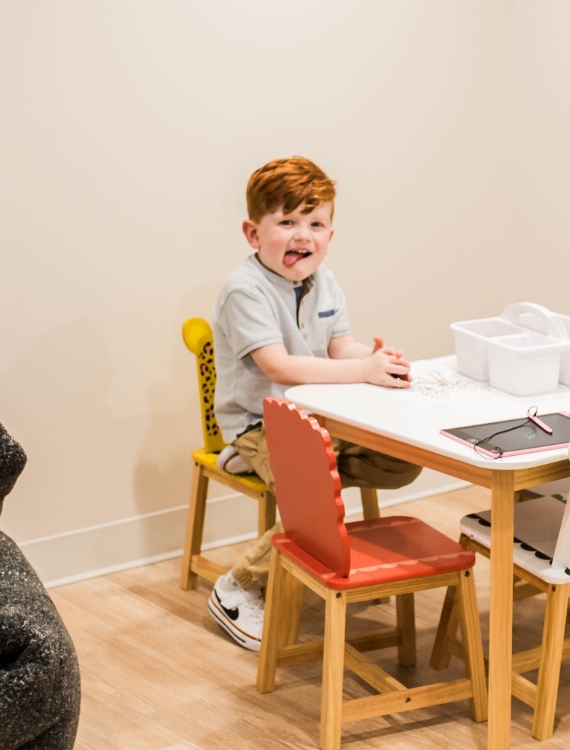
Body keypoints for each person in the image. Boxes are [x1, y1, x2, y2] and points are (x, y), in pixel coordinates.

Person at [206, 156, 423, 651]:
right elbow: (279, 367)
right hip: (262, 423)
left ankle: (321, 529)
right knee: (316, 503)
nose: (303, 235)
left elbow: (336, 346)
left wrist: (373, 359)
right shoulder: (245, 290)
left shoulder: (325, 281)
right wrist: (360, 372)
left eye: (315, 223)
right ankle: (238, 586)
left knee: (400, 462)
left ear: (330, 233)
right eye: (286, 222)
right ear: (253, 233)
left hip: (320, 418)